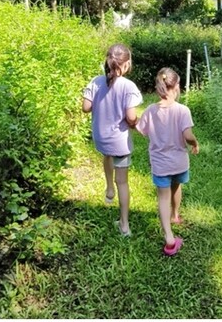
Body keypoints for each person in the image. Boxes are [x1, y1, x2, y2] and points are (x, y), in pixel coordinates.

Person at [135, 67, 199, 256]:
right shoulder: (183, 110)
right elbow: (187, 134)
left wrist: (131, 121)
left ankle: (169, 238)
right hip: (179, 162)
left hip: (160, 164)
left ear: (158, 88)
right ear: (177, 86)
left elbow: (141, 130)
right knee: (177, 186)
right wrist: (195, 143)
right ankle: (175, 215)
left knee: (162, 197)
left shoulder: (150, 110)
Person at [82, 43, 142, 237]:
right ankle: (124, 225)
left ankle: (109, 188)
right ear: (126, 64)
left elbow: (85, 107)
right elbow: (131, 117)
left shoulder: (96, 81)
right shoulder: (128, 86)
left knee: (106, 155)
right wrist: (135, 123)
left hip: (101, 138)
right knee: (122, 182)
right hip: (120, 142)